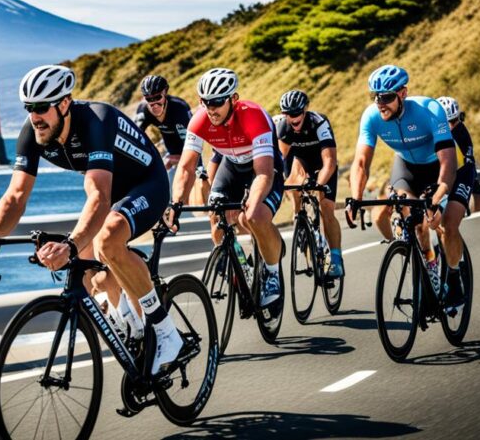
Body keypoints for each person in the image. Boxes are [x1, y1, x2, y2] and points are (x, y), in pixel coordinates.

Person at [0, 64, 185, 374]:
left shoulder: (97, 120)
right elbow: (16, 196)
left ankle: (166, 331)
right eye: (29, 108)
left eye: (42, 107)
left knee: (107, 240)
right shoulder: (34, 132)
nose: (35, 116)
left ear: (64, 103)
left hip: (147, 184)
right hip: (111, 190)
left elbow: (98, 195)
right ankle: (133, 324)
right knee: (87, 269)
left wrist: (70, 244)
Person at [347, 65, 465, 312]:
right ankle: (429, 268)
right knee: (415, 223)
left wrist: (438, 196)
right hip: (407, 169)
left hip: (437, 170)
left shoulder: (429, 110)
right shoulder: (371, 117)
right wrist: (355, 198)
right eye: (376, 97)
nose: (381, 104)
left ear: (402, 93)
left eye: (387, 97)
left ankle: (454, 278)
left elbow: (448, 163)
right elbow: (360, 162)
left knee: (445, 225)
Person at [170, 68, 286, 308]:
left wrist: (252, 203)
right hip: (231, 166)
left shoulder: (254, 116)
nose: (210, 108)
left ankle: (272, 273)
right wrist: (176, 203)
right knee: (217, 215)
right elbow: (185, 168)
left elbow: (264, 172)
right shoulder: (200, 119)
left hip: (262, 167)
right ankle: (240, 268)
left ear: (233, 99)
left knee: (254, 216)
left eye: (217, 102)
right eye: (205, 102)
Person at [276, 90, 344, 278]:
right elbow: (279, 160)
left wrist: (317, 186)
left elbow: (330, 162)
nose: (292, 117)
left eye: (296, 113)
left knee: (326, 208)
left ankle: (337, 259)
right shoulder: (284, 127)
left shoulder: (319, 123)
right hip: (302, 162)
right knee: (291, 185)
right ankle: (300, 220)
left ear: (305, 110)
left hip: (323, 164)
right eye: (288, 114)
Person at [134, 75, 210, 206]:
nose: (154, 104)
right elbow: (135, 138)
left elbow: (192, 143)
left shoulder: (179, 108)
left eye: (157, 97)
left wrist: (199, 169)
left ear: (165, 92)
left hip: (188, 146)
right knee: (158, 169)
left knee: (193, 174)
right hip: (169, 147)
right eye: (149, 99)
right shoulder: (143, 110)